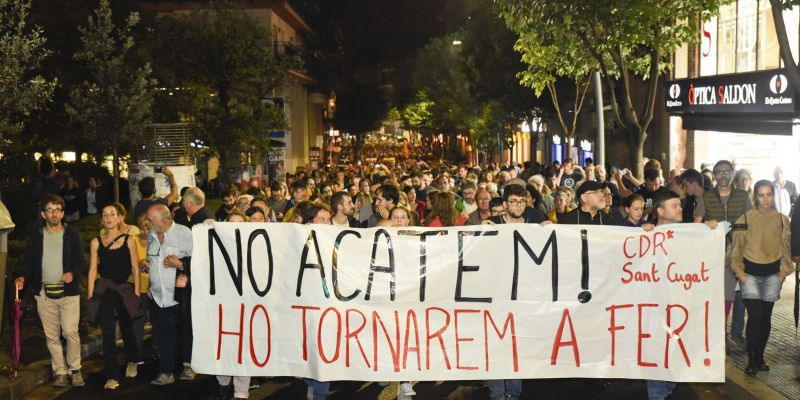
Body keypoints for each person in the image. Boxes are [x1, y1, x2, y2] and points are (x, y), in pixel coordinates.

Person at [645, 191, 716, 399]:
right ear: (660, 211)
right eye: (674, 205)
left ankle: (667, 387)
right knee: (658, 349)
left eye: (679, 204)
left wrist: (710, 232)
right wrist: (642, 233)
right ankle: (657, 395)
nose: (679, 209)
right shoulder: (647, 234)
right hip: (654, 305)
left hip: (681, 304)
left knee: (676, 348)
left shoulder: (687, 233)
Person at [16, 194, 85, 387]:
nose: (54, 213)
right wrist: (22, 277)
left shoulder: (72, 235)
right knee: (52, 336)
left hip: (69, 293)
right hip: (44, 294)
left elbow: (81, 262)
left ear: (62, 214)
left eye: (57, 210)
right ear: (43, 214)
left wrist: (72, 273)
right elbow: (27, 263)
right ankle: (60, 372)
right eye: (49, 210)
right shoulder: (35, 237)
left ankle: (75, 369)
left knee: (70, 332)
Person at [731, 180, 793, 375]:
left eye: (769, 195)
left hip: (773, 276)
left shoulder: (782, 220)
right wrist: (740, 274)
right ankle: (751, 360)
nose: (765, 199)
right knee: (755, 316)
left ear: (773, 196)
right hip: (749, 276)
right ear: (755, 197)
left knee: (765, 318)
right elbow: (736, 251)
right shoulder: (744, 219)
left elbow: (786, 249)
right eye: (761, 195)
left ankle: (759, 357)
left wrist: (783, 273)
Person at [87, 203, 141, 390]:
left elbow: (135, 268)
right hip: (105, 290)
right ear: (101, 219)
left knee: (127, 328)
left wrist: (136, 293)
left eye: (112, 214)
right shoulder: (96, 242)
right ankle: (112, 375)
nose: (108, 217)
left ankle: (132, 359)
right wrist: (90, 294)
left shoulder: (129, 240)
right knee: (108, 333)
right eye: (105, 214)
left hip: (124, 289)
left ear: (119, 218)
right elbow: (93, 270)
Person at [698, 160, 752, 322]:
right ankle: (718, 331)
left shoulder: (743, 196)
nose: (723, 175)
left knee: (733, 297)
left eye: (727, 171)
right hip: (714, 257)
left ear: (732, 174)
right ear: (714, 175)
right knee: (715, 298)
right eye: (719, 172)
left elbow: (751, 223)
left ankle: (726, 331)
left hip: (739, 253)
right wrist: (705, 226)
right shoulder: (706, 197)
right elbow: (696, 226)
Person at [146, 204, 193, 385]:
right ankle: (166, 372)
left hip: (181, 295)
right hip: (159, 297)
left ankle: (189, 366)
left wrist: (180, 265)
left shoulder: (184, 234)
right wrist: (150, 285)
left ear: (164, 220)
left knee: (185, 332)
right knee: (164, 335)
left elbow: (199, 262)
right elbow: (153, 263)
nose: (147, 222)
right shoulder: (151, 236)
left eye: (150, 219)